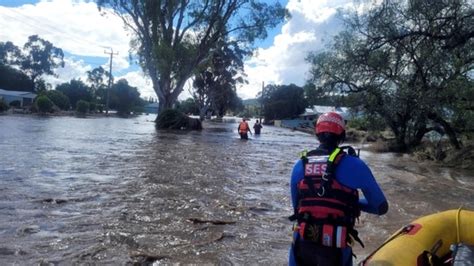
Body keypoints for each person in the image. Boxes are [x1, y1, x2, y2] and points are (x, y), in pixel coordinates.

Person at [288, 112, 388, 266]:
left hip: (302, 244)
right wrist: (352, 202)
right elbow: (380, 207)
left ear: (317, 135)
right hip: (336, 247)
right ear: (342, 135)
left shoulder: (299, 165)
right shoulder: (356, 165)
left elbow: (297, 207)